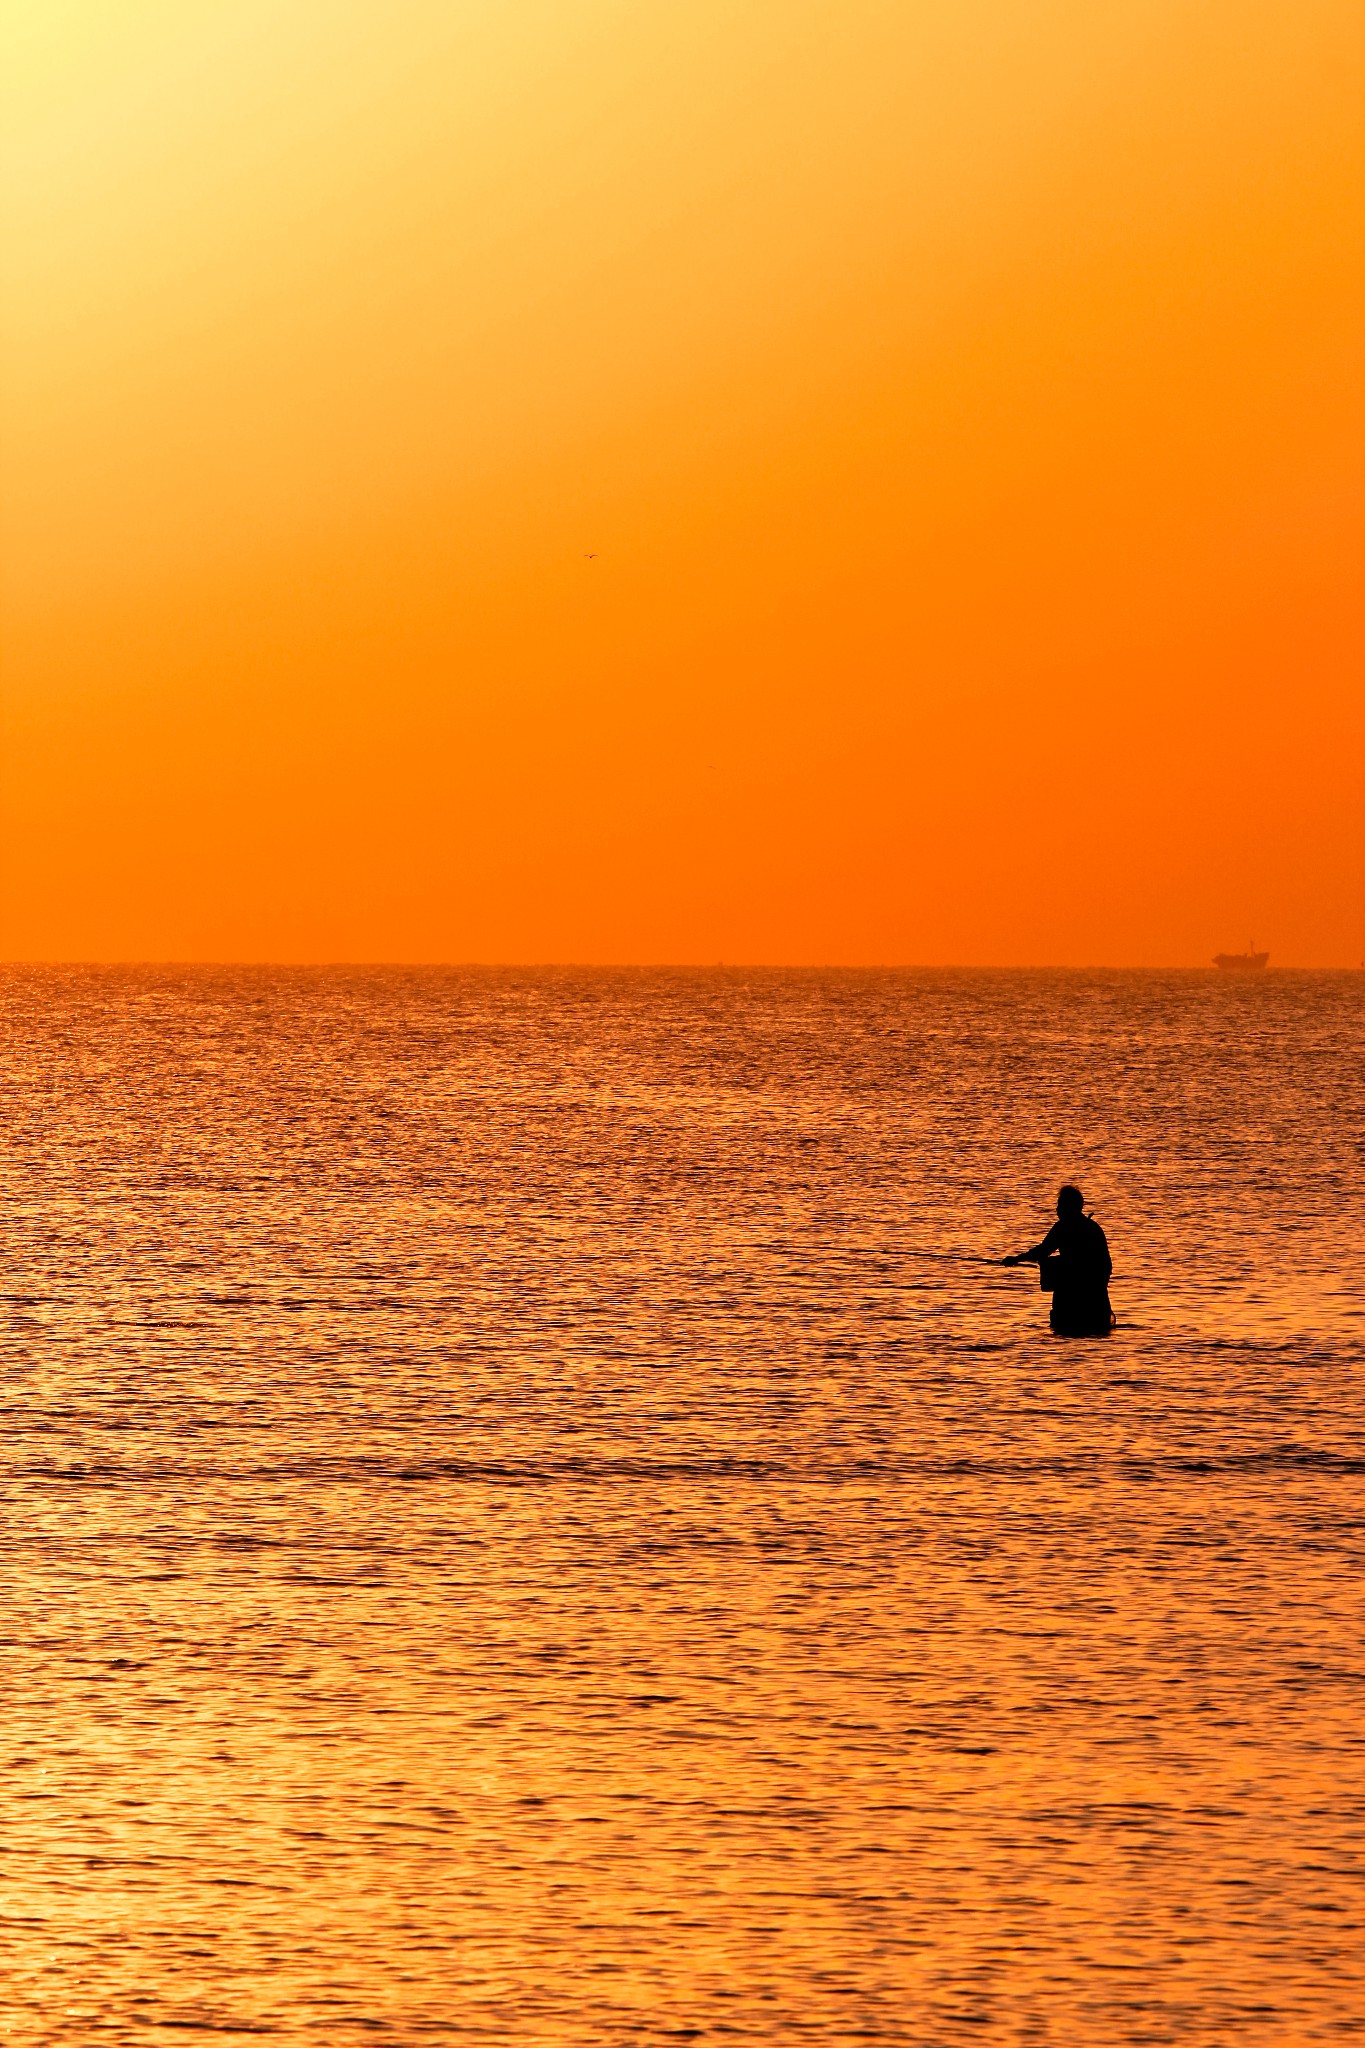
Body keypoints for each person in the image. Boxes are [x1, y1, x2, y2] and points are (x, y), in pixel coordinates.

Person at [1003, 1185, 1114, 1336]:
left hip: (1074, 1296)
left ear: (1070, 1206)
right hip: (1096, 1297)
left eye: (1060, 1205)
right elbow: (1107, 1266)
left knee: (1064, 1332)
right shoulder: (1093, 1228)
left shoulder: (1064, 1227)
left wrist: (1016, 1259)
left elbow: (1042, 1251)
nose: (1057, 1209)